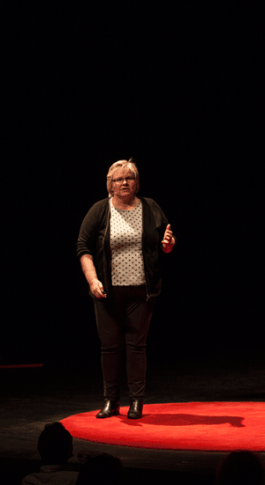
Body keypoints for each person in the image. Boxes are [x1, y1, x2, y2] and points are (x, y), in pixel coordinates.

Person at [76, 158, 175, 420]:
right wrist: (92, 280)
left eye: (129, 178)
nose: (124, 182)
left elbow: (165, 245)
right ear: (109, 185)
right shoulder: (100, 209)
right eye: (118, 179)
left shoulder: (151, 207)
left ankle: (136, 402)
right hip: (107, 292)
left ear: (136, 182)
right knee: (109, 347)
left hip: (142, 292)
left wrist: (168, 244)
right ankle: (110, 400)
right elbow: (83, 247)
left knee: (136, 346)